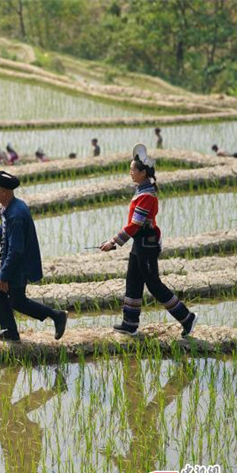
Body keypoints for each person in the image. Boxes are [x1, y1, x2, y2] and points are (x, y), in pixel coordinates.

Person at [99, 143, 198, 337]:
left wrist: (114, 241)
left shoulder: (147, 196)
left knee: (154, 285)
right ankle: (130, 324)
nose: (130, 173)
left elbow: (135, 224)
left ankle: (187, 318)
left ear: (142, 173)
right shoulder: (141, 191)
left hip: (146, 245)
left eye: (132, 170)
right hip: (139, 244)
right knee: (133, 282)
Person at [0, 170, 67, 342]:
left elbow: (16, 250)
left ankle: (53, 317)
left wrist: (4, 275)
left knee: (0, 293)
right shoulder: (11, 207)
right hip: (16, 263)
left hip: (18, 265)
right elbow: (5, 229)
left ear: (4, 192)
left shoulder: (16, 214)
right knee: (14, 299)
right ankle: (51, 318)